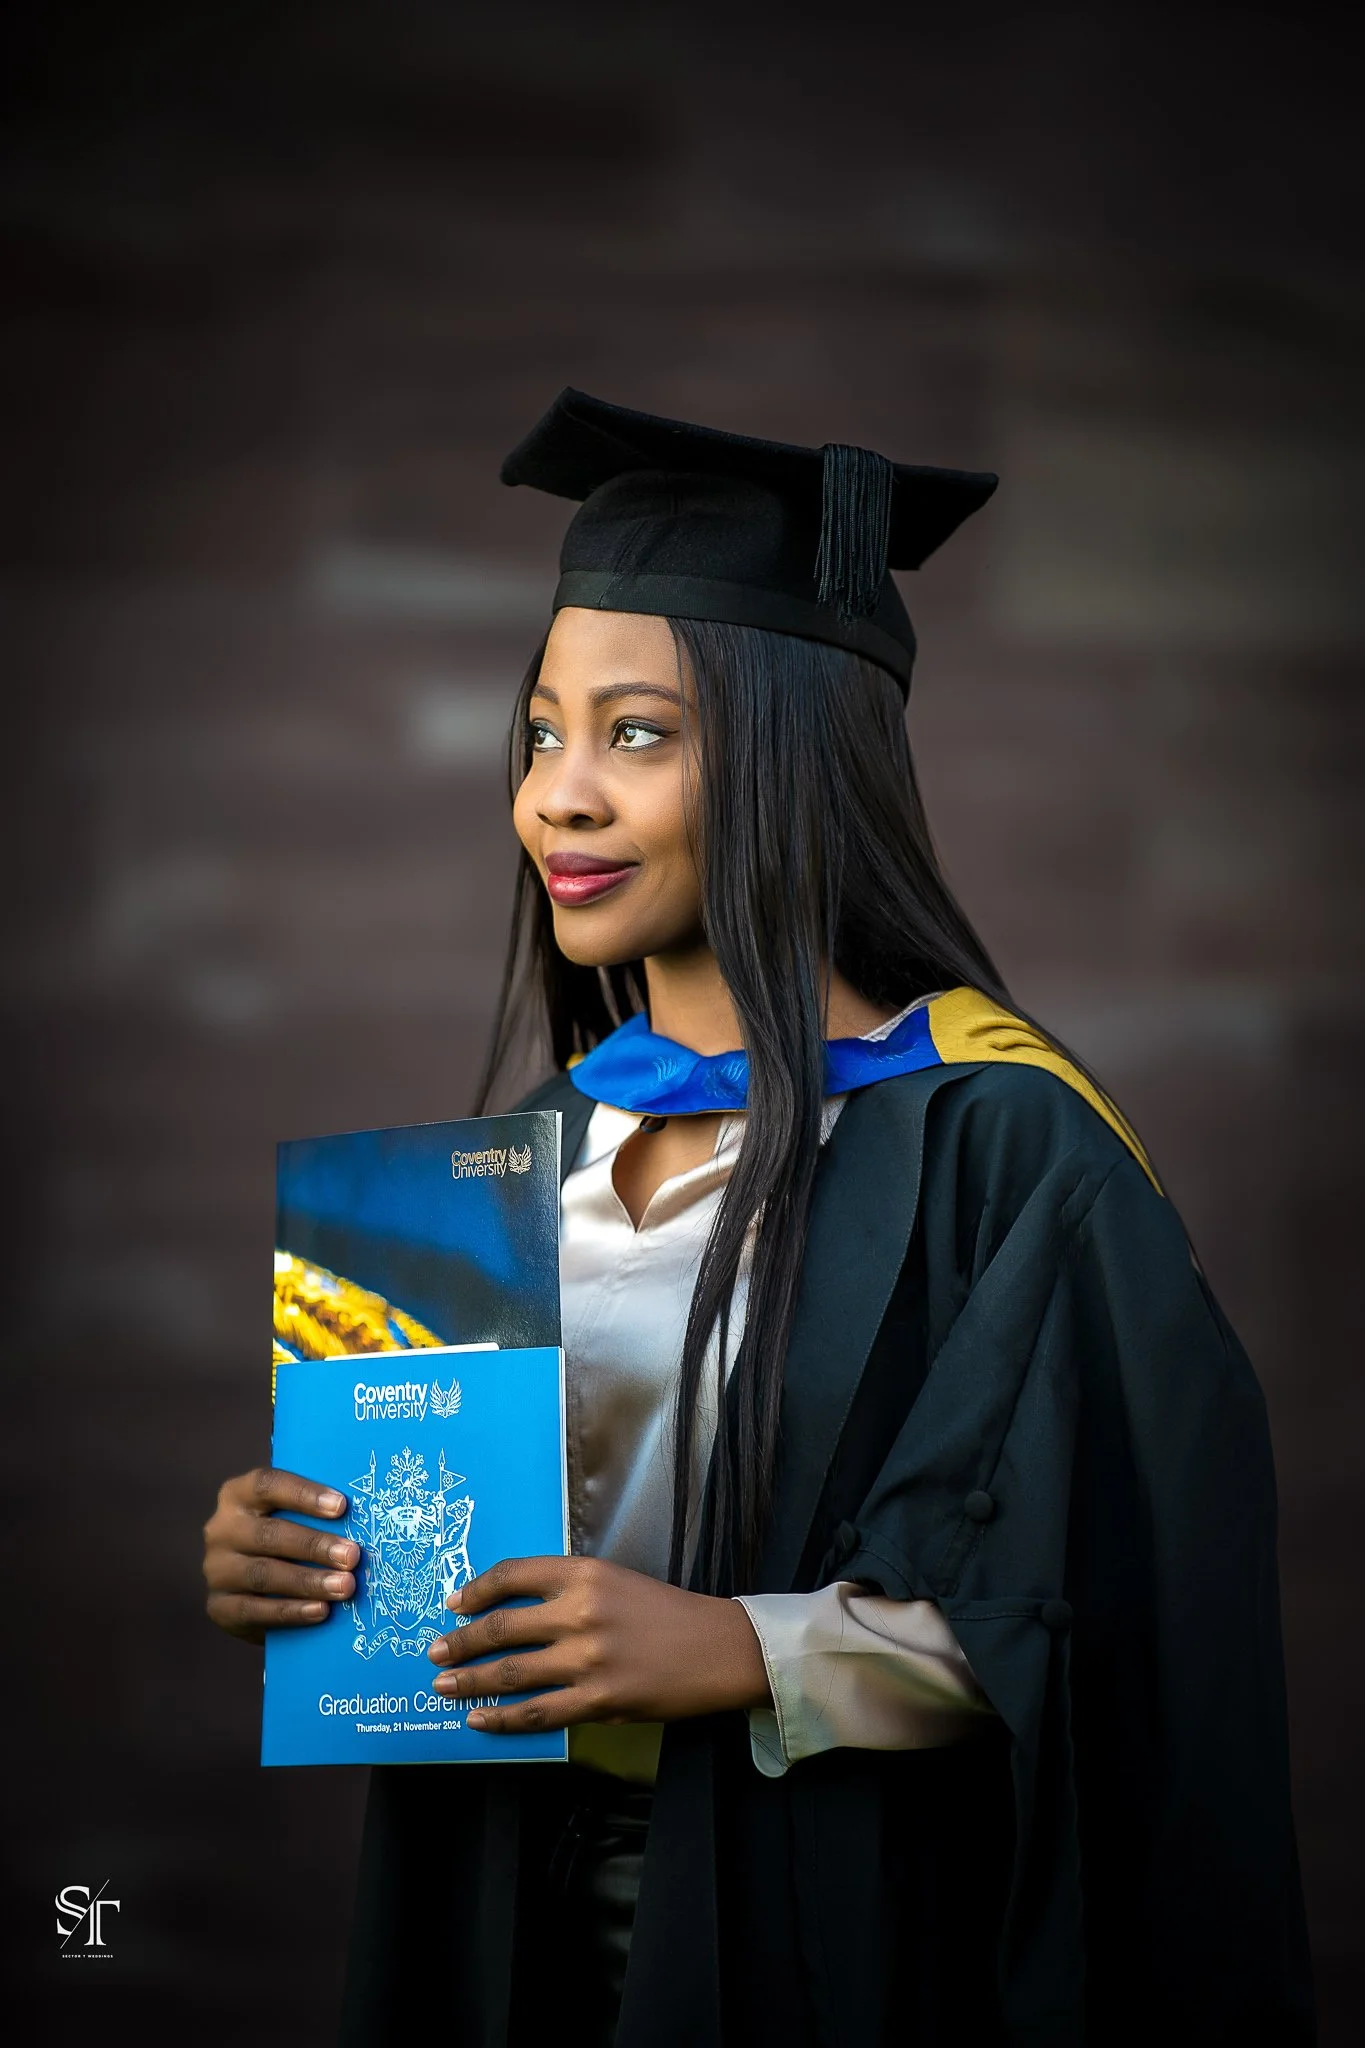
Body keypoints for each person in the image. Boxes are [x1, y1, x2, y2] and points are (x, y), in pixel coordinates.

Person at [201, 390, 1314, 2046]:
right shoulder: (527, 1158)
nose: (556, 797)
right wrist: (306, 1567)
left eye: (636, 734)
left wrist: (737, 1652)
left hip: (822, 1938)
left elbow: (1106, 1638)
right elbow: (456, 1569)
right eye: (540, 730)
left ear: (799, 749)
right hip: (505, 1914)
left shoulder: (1004, 1149)